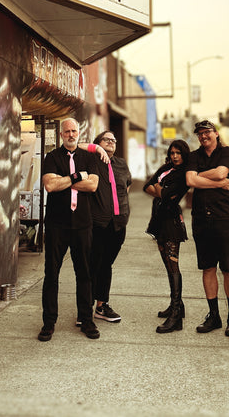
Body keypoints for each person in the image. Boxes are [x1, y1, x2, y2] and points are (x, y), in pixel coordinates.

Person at [38, 118, 100, 341]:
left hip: (82, 224)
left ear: (78, 132)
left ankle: (86, 320)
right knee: (51, 274)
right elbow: (50, 185)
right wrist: (77, 176)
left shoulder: (89, 158)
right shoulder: (52, 157)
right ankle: (49, 322)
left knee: (84, 273)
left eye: (74, 131)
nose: (71, 134)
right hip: (57, 225)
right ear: (61, 135)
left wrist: (64, 181)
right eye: (67, 132)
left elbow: (92, 185)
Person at [185, 120, 229, 337]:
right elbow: (190, 180)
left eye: (207, 132)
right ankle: (214, 316)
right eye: (200, 134)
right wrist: (217, 183)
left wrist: (200, 175)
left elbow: (220, 172)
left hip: (223, 218)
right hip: (201, 219)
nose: (203, 136)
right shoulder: (193, 156)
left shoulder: (227, 152)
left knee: (228, 268)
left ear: (216, 133)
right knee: (207, 268)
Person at [84, 130, 132, 324]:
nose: (111, 142)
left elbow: (126, 187)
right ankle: (84, 309)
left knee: (106, 265)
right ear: (98, 143)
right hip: (97, 224)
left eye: (114, 140)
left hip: (118, 224)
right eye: (106, 139)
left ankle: (101, 306)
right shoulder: (91, 160)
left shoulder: (121, 164)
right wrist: (95, 149)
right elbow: (75, 146)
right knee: (92, 265)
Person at [144, 140, 190, 334]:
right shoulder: (166, 168)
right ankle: (176, 304)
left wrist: (160, 189)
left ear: (184, 154)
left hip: (171, 222)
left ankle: (176, 316)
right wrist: (160, 190)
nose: (174, 156)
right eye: (172, 153)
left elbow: (167, 194)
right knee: (166, 264)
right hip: (159, 221)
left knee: (173, 265)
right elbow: (147, 186)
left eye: (178, 153)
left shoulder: (184, 173)